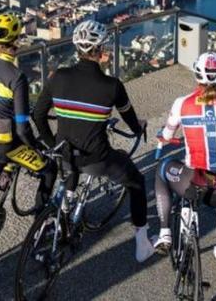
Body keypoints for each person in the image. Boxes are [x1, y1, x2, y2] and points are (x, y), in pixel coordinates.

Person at [33, 19, 153, 262]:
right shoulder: (112, 86)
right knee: (137, 182)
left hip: (64, 152)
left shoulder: (58, 77)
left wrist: (52, 143)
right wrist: (138, 127)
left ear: (77, 48)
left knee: (68, 179)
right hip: (96, 158)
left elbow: (38, 115)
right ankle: (142, 243)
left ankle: (60, 218)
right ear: (101, 50)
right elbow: (130, 120)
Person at [153, 52, 216, 271]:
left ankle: (165, 232)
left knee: (163, 168)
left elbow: (168, 131)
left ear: (196, 75)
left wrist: (165, 137)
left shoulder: (182, 104)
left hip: (196, 179)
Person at [0, 12, 56, 210]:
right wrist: (36, 146)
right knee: (50, 168)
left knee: (1, 155)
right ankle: (40, 221)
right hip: (3, 139)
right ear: (16, 41)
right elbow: (22, 129)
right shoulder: (16, 77)